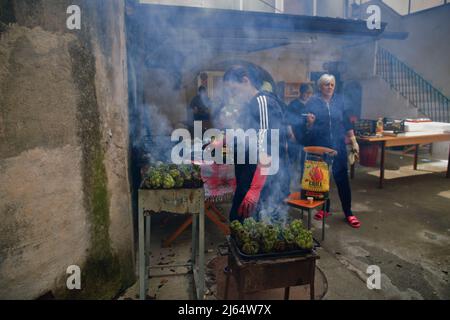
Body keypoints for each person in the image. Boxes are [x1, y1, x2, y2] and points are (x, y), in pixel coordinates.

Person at [222, 65, 289, 223]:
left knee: (249, 225)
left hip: (262, 181)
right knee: (242, 225)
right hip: (250, 176)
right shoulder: (250, 105)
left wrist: (255, 189)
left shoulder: (262, 101)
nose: (232, 96)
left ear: (245, 81)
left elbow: (268, 147)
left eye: (233, 90)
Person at [302, 74, 361, 228]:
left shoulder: (340, 101)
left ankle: (348, 212)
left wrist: (353, 141)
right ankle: (325, 209)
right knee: (322, 180)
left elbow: (347, 122)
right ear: (320, 86)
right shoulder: (312, 102)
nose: (329, 87)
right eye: (326, 84)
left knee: (342, 179)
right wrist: (309, 123)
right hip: (320, 147)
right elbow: (306, 127)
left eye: (332, 85)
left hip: (338, 146)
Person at [286, 83, 314, 190]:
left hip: (306, 139)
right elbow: (287, 121)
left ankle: (303, 184)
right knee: (292, 161)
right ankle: (289, 183)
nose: (308, 95)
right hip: (294, 137)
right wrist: (291, 134)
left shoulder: (311, 106)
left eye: (310, 93)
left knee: (305, 161)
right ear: (301, 93)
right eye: (306, 93)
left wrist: (311, 123)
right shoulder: (293, 105)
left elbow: (312, 123)